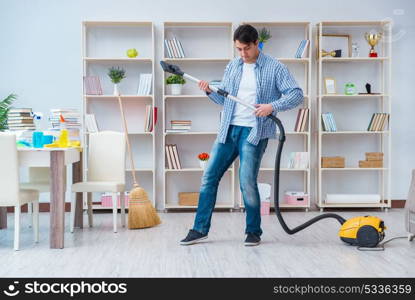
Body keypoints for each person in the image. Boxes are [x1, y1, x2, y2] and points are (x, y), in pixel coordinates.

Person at [180, 24, 304, 246]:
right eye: (238, 49)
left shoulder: (275, 67)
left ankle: (253, 231)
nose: (243, 54)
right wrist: (209, 91)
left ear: (257, 44)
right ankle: (199, 229)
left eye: (246, 48)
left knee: (247, 182)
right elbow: (225, 100)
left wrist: (271, 106)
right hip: (228, 130)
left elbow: (296, 95)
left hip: (254, 132)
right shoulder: (233, 66)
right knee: (209, 177)